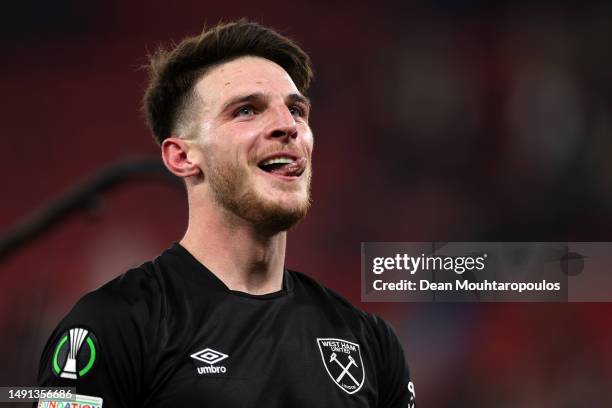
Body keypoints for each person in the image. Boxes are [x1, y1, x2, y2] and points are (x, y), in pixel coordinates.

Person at [36, 20, 416, 408]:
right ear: (182, 156)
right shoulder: (114, 326)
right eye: (247, 110)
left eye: (297, 110)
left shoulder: (369, 342)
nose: (288, 126)